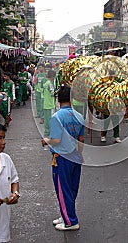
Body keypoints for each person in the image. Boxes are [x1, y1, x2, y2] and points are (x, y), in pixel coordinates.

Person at [42, 84, 84, 231]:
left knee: (63, 188)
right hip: (75, 156)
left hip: (62, 158)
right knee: (71, 188)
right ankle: (66, 214)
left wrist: (46, 140)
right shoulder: (79, 116)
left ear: (58, 99)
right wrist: (79, 154)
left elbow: (56, 140)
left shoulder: (57, 117)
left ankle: (71, 221)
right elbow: (82, 139)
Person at [42, 70, 56, 137]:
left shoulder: (45, 83)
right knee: (51, 119)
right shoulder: (50, 84)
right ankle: (51, 132)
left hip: (45, 103)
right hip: (50, 104)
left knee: (46, 119)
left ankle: (46, 132)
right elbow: (52, 93)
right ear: (53, 76)